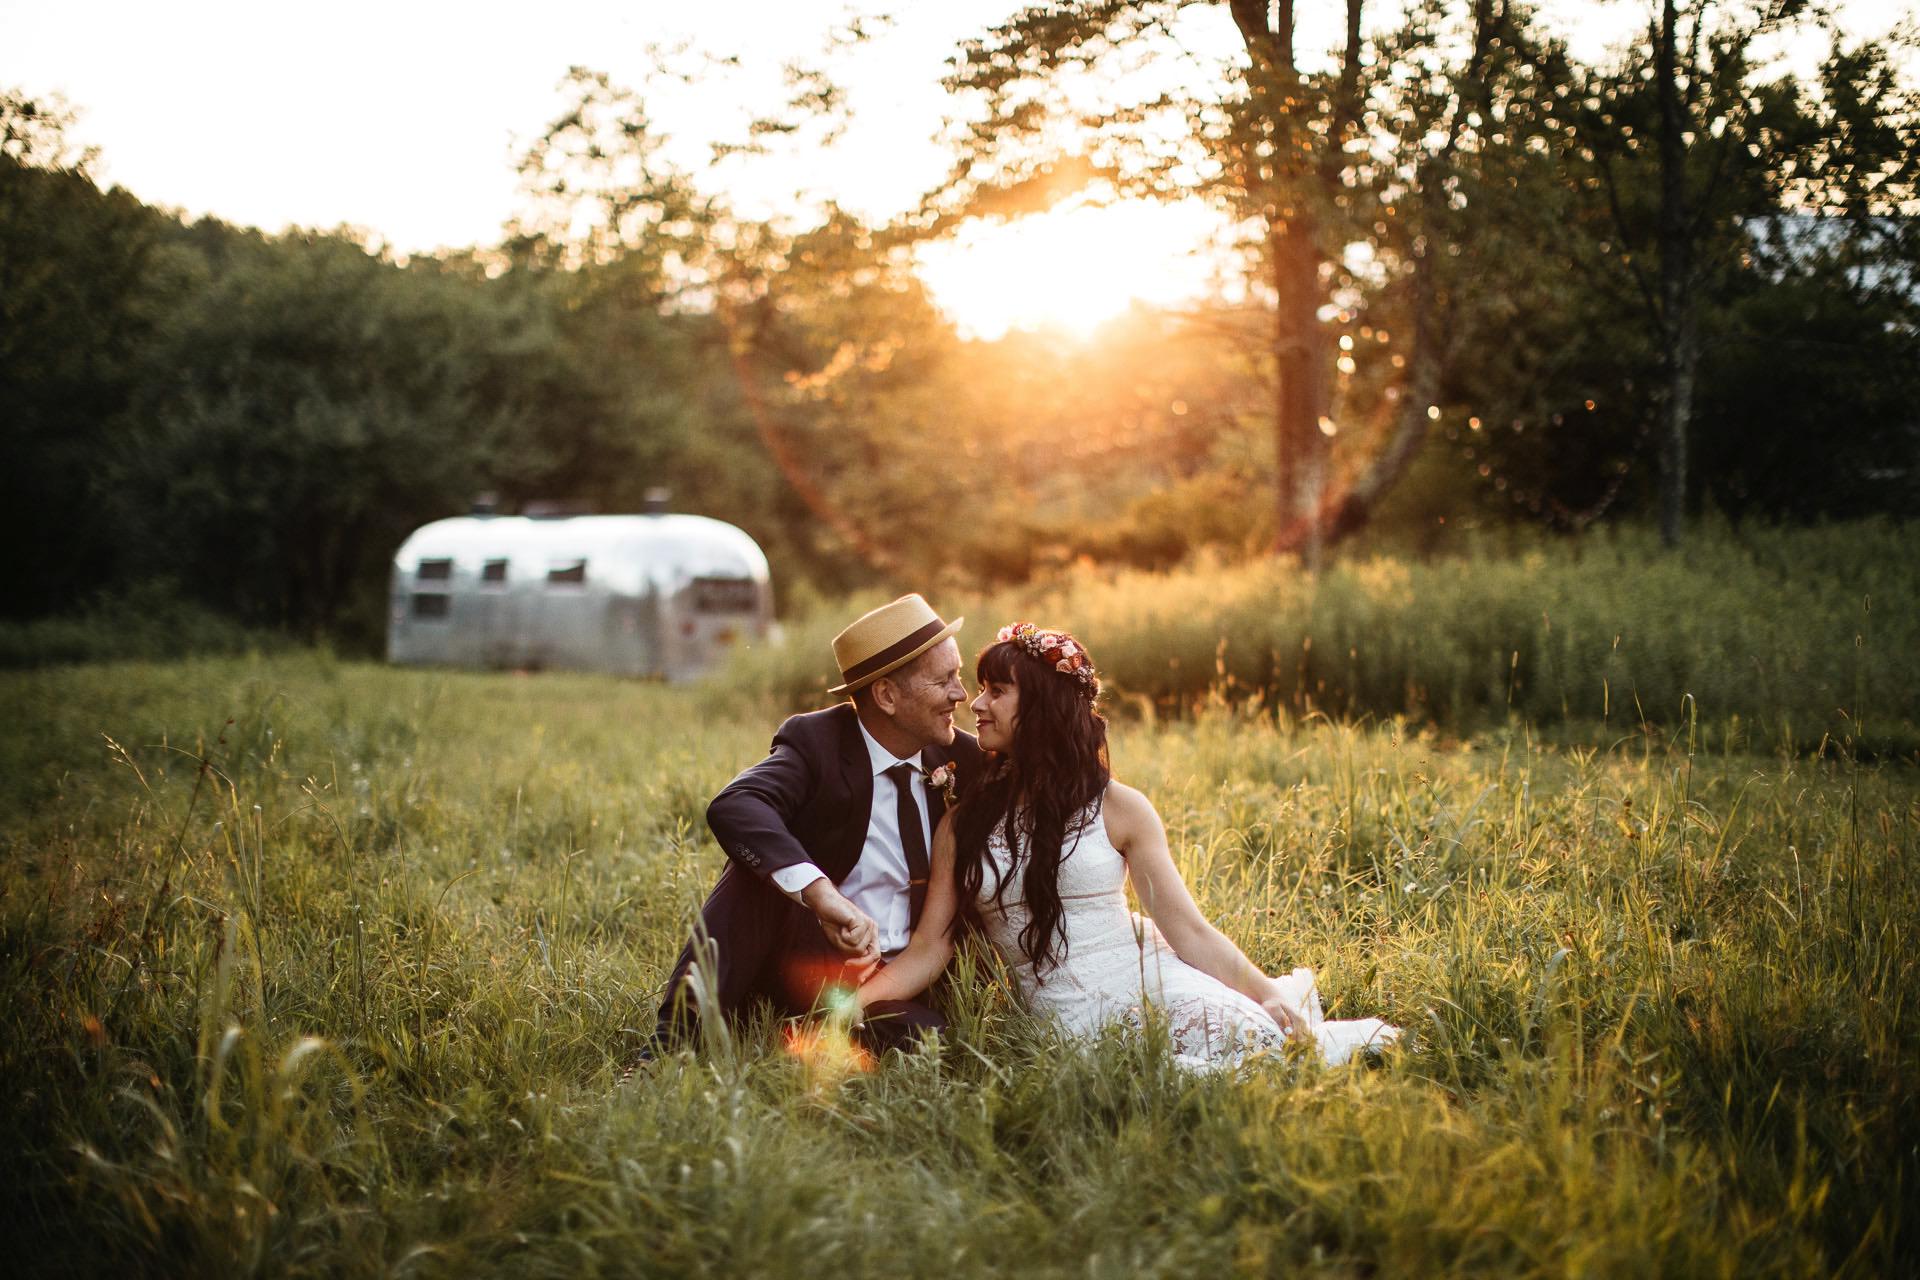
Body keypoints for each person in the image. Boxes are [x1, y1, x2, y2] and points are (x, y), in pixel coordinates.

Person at [855, 622, 1398, 1070]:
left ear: (1041, 706)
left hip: (1151, 978)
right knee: (1157, 1075)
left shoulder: (1119, 808)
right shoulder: (963, 824)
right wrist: (845, 1007)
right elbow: (930, 948)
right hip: (1062, 1015)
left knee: (1250, 1044)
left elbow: (1188, 929)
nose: (976, 704)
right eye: (980, 689)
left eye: (996, 691)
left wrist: (1265, 991)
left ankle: (1323, 1029)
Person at [650, 594, 986, 1057]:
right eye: (944, 679)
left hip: (907, 975)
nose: (960, 694)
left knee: (932, 1043)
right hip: (813, 958)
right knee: (756, 874)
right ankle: (669, 1047)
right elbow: (737, 804)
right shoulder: (817, 742)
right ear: (887, 695)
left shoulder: (965, 758)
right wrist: (822, 895)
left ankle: (811, 1030)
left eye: (959, 675)